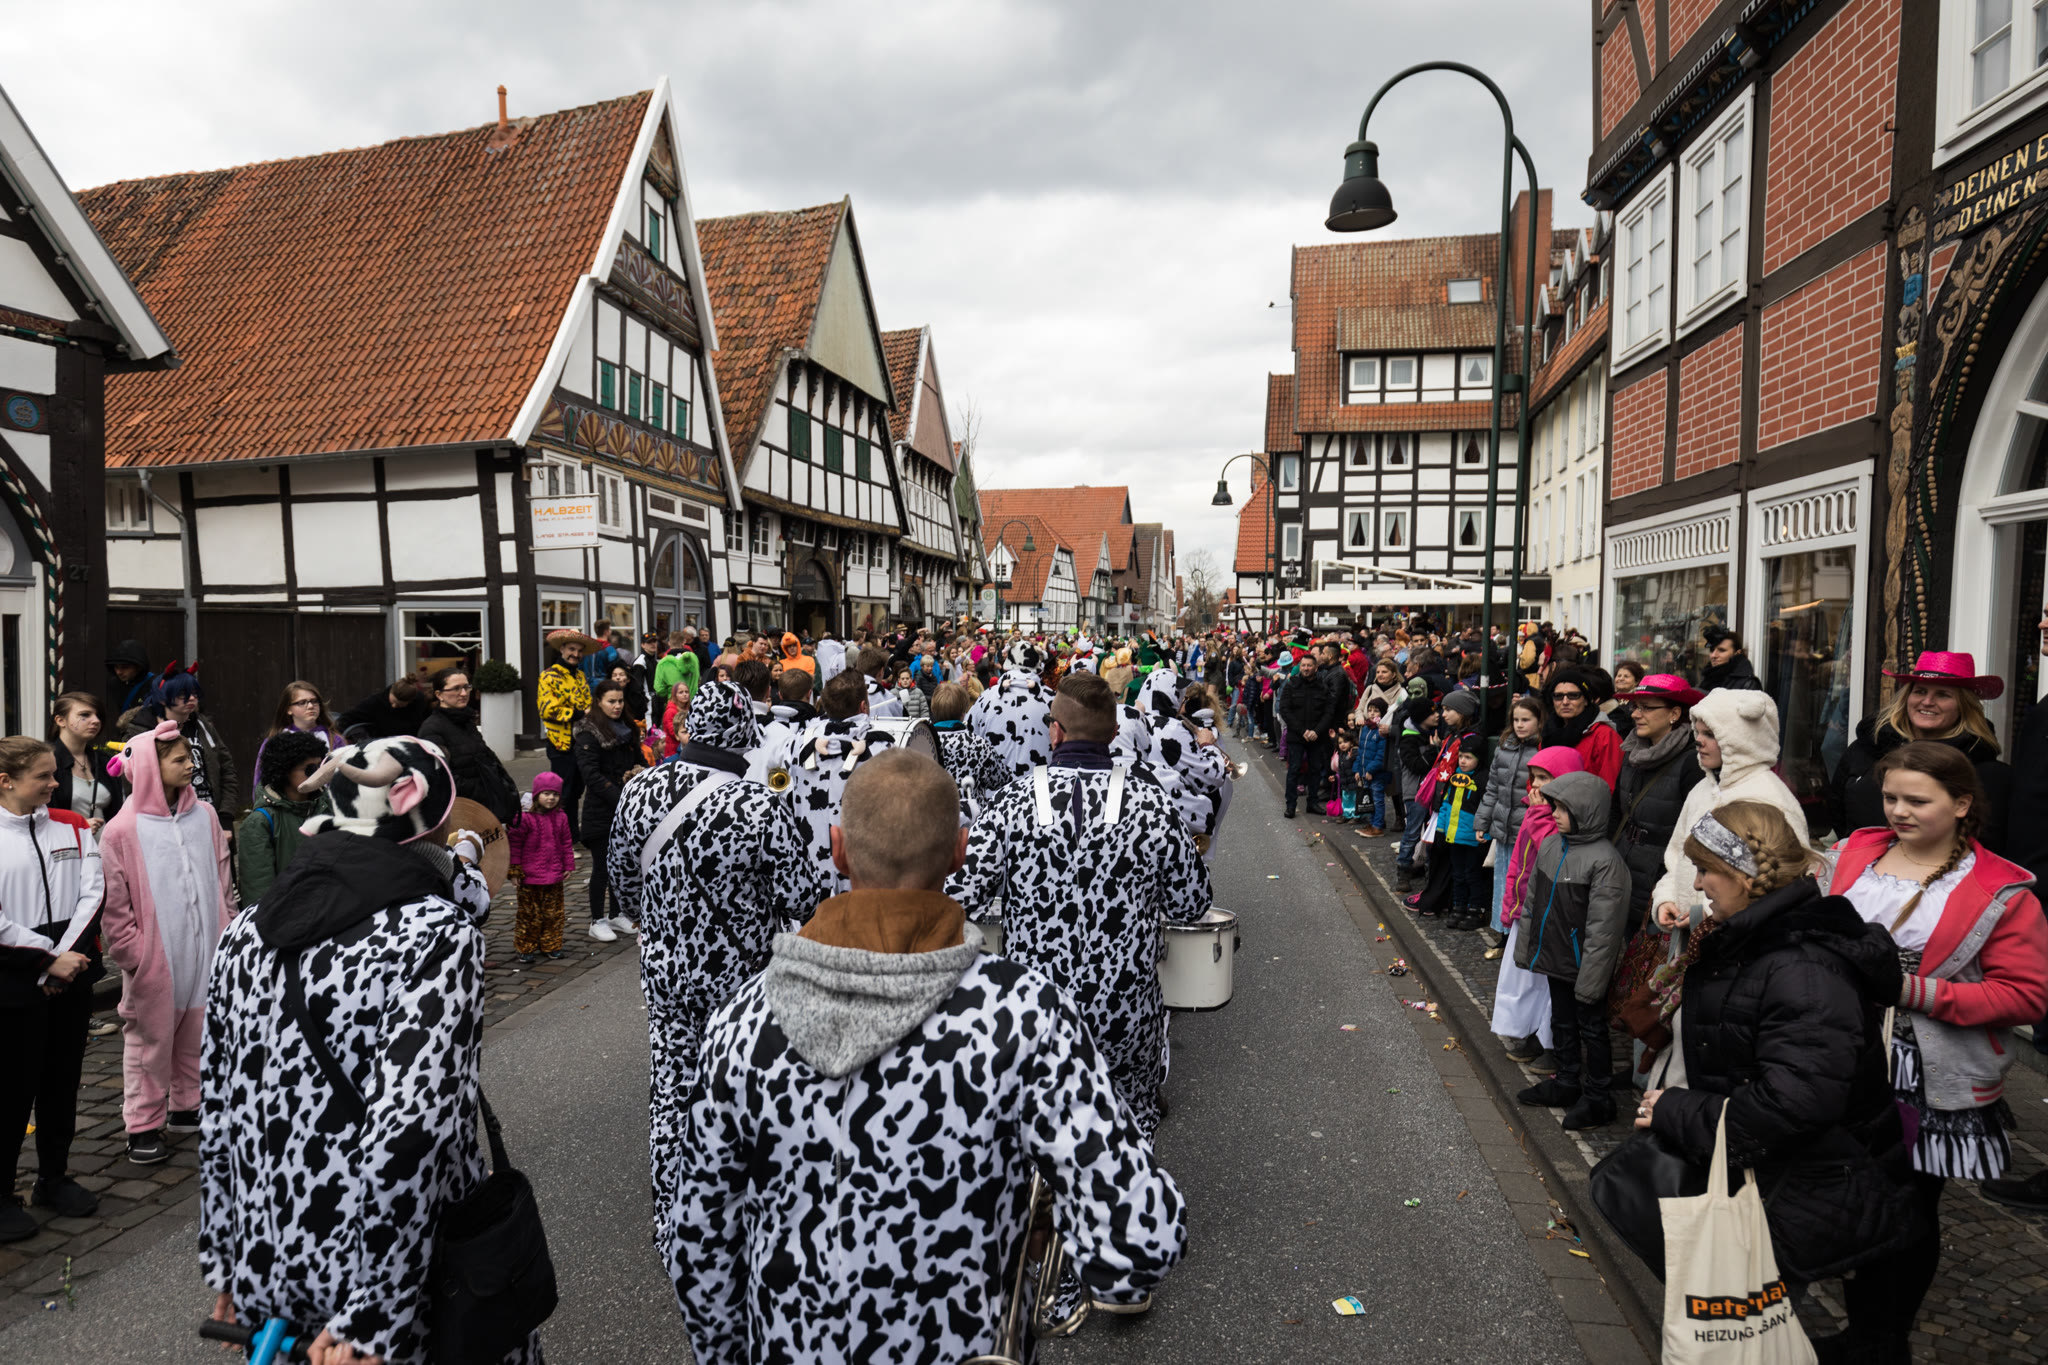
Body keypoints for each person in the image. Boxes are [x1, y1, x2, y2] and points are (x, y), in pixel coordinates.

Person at [663, 749, 1187, 1358]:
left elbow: (698, 1243)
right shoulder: (1026, 1013)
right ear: (960, 851)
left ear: (838, 849)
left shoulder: (741, 1020)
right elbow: (1141, 1239)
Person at [199, 737, 522, 1365]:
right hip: (391, 1264)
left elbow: (220, 1108)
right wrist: (377, 1308)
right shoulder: (433, 935)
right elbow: (412, 1129)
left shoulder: (244, 930)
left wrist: (231, 1260)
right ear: (425, 811)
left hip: (274, 1248)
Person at [1633, 803, 1914, 1308]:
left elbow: (1794, 1103)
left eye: (1704, 869)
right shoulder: (1754, 941)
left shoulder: (1801, 970)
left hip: (1795, 1184)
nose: (1696, 885)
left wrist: (1680, 1111)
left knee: (1751, 1326)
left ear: (1744, 875)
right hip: (1769, 1175)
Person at [1821, 743, 2048, 1356]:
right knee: (1850, 1192)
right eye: (1891, 797)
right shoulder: (1853, 855)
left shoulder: (2002, 890)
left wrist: (1913, 990)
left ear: (1962, 803)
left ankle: (1882, 1339)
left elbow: (2026, 995)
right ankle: (1859, 1330)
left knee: (1907, 1203)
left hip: (1923, 1072)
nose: (1899, 811)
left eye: (1918, 801)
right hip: (1843, 1049)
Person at [948, 671, 1210, 1139]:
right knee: (1129, 1129)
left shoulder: (1011, 804)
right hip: (1126, 1014)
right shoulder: (1152, 804)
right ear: (1115, 733)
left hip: (1033, 1012)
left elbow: (960, 896)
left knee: (1031, 1131)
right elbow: (1192, 905)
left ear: (1055, 731)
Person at [607, 679, 824, 1208]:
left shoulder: (639, 791)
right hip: (741, 978)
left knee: (673, 1086)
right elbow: (801, 897)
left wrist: (658, 917)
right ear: (743, 733)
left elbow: (623, 882)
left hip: (665, 970)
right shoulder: (758, 804)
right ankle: (740, 1206)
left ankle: (673, 1212)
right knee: (743, 1085)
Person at [100, 721, 235, 1165]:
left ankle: (187, 1103)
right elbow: (115, 903)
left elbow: (222, 875)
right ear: (150, 769)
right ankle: (142, 1124)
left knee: (197, 1030)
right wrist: (134, 953)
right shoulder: (122, 830)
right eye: (179, 760)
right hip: (156, 958)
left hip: (206, 948)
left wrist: (228, 927)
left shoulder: (205, 816)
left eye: (189, 757)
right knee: (150, 1044)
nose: (190, 765)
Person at [0, 736, 105, 1241]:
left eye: (53, 774)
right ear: (6, 781)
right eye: (43, 775)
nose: (54, 782)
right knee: (11, 1089)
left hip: (72, 970)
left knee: (62, 1082)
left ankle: (53, 1178)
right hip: (14, 979)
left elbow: (93, 892)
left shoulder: (73, 825)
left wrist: (64, 959)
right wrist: (47, 961)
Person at [1513, 770, 1631, 1129]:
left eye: (1563, 809)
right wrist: (1528, 949)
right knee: (1562, 1020)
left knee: (1592, 1028)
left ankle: (1598, 1097)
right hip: (1556, 956)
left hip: (1583, 963)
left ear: (1586, 811)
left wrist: (1592, 979)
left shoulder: (1605, 862)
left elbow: (1604, 931)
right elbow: (1533, 901)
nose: (1555, 814)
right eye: (1555, 807)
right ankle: (1566, 1081)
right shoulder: (1552, 845)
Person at [1650, 688, 1807, 934]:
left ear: (1741, 739)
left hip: (1742, 934)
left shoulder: (1770, 797)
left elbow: (1788, 877)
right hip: (1691, 933)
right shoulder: (1701, 790)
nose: (1699, 741)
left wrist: (1710, 912)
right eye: (1698, 732)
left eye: (1711, 734)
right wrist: (1667, 897)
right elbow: (1678, 856)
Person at [1830, 651, 2013, 854]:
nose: (1927, 701)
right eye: (1920, 691)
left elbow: (1989, 843)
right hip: (1860, 865)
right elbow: (1836, 810)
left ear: (1964, 705)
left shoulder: (1987, 773)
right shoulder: (1865, 749)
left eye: (1943, 694)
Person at [1493, 746, 1582, 1062]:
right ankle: (1529, 1032)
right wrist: (1510, 905)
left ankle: (1551, 1043)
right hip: (1527, 909)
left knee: (1547, 984)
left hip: (1550, 913)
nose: (1536, 785)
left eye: (1545, 778)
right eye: (1534, 778)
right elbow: (1518, 864)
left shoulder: (1560, 818)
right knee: (1525, 978)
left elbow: (1550, 850)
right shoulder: (1533, 811)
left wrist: (1539, 814)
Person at [1610, 674, 1705, 922]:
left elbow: (1694, 832)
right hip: (1622, 869)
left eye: (1646, 708)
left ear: (1674, 713)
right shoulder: (1632, 752)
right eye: (1635, 706)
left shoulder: (1692, 762)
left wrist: (1669, 887)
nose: (1635, 714)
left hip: (1661, 880)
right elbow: (1617, 812)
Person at [120, 666, 240, 825]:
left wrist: (226, 816)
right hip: (164, 821)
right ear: (162, 698)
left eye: (195, 693)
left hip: (211, 817)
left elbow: (227, 769)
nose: (192, 698)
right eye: (183, 694)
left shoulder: (202, 725)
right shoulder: (141, 733)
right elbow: (131, 781)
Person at [573, 679, 645, 943]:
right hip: (601, 809)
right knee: (602, 867)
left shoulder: (627, 728)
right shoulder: (588, 732)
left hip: (626, 808)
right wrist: (619, 796)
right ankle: (596, 919)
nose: (617, 706)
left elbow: (639, 759)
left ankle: (617, 913)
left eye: (620, 701)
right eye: (611, 701)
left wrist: (642, 774)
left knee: (622, 864)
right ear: (599, 702)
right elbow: (591, 775)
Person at [234, 730, 331, 907]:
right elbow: (258, 890)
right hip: (287, 914)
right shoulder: (260, 822)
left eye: (320, 766)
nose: (318, 774)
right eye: (309, 769)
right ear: (285, 770)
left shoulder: (328, 807)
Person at [1475, 696, 1542, 930]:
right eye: (1516, 720)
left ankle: (1517, 935)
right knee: (1503, 882)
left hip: (1527, 830)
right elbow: (1493, 787)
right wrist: (1482, 821)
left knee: (1522, 884)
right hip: (1503, 827)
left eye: (1526, 720)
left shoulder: (1541, 749)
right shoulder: (1505, 747)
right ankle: (1502, 931)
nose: (1520, 725)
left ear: (1539, 721)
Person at [507, 770, 575, 964]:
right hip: (529, 877)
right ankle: (525, 946)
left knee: (554, 914)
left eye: (555, 794)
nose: (551, 798)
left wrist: (568, 864)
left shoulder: (561, 817)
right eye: (546, 794)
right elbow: (515, 845)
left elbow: (566, 842)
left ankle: (551, 944)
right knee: (529, 915)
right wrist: (514, 870)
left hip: (553, 875)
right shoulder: (524, 818)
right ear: (537, 795)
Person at [965, 640, 1058, 778]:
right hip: (1039, 785)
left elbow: (969, 738)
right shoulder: (1052, 699)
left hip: (996, 786)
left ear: (1008, 664)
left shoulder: (986, 698)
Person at [538, 628, 598, 840]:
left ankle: (572, 834)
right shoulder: (548, 676)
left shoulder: (580, 676)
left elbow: (588, 703)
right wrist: (580, 713)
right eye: (572, 649)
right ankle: (558, 838)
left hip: (581, 742)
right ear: (562, 649)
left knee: (576, 791)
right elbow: (547, 709)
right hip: (560, 743)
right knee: (561, 793)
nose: (576, 654)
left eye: (579, 651)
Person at [928, 680, 1010, 822]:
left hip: (933, 820)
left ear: (934, 710)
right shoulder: (978, 744)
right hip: (973, 823)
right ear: (963, 713)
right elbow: (1002, 779)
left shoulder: (923, 742)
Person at [1278, 650, 1341, 819]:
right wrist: (1302, 731)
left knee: (1315, 770)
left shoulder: (1323, 686)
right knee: (1294, 770)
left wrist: (1316, 731)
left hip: (1317, 736)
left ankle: (1312, 802)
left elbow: (1329, 711)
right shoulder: (1292, 684)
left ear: (1316, 667)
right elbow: (1284, 709)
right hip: (1296, 735)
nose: (1306, 668)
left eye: (1309, 666)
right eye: (1303, 665)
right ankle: (1290, 805)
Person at [50, 691, 122, 832]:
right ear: (60, 721)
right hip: (67, 843)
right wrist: (77, 826)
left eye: (98, 715)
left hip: (105, 844)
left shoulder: (104, 760)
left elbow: (119, 811)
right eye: (85, 715)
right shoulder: (46, 762)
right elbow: (39, 815)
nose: (96, 720)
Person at [1542, 665, 1621, 790]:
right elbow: (1535, 777)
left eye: (1573, 695)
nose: (1565, 702)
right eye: (1558, 696)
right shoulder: (1548, 732)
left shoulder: (1604, 736)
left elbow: (1608, 787)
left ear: (1586, 700)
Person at [253, 680, 340, 781]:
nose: (310, 706)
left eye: (314, 701)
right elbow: (260, 780)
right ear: (288, 709)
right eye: (302, 702)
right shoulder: (275, 742)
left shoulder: (334, 739)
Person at [334, 674, 432, 744]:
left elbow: (428, 720)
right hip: (385, 744)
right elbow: (349, 717)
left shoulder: (419, 703)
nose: (393, 706)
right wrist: (336, 736)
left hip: (412, 742)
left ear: (410, 702)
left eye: (399, 705)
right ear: (391, 691)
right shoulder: (374, 703)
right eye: (392, 702)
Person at [105, 639, 158, 719]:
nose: (118, 672)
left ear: (139, 667)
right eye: (116, 667)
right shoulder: (114, 684)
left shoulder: (155, 684)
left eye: (124, 667)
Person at [1699, 626, 1761, 690]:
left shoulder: (1747, 683)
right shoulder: (1706, 679)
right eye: (1712, 650)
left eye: (1722, 650)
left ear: (1737, 653)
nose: (1713, 655)